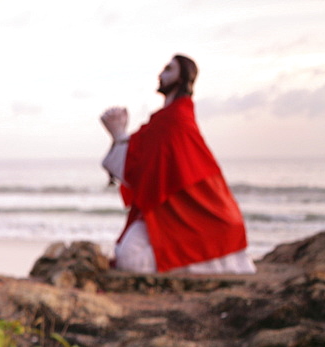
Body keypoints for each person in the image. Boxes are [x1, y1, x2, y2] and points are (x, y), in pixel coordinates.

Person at [100, 54, 255, 274]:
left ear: (183, 78)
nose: (161, 74)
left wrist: (120, 135)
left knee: (129, 258)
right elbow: (143, 165)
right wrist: (119, 136)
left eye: (169, 69)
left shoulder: (177, 119)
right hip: (167, 209)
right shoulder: (163, 120)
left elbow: (144, 165)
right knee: (125, 250)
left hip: (197, 214)